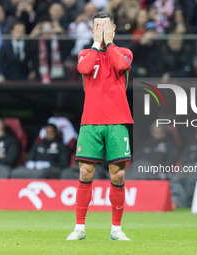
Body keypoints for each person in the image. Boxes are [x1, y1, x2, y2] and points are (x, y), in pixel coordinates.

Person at [66, 11, 133, 241]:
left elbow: (120, 64)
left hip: (117, 121)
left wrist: (109, 43)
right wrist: (96, 43)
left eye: (105, 27)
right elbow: (83, 69)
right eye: (97, 27)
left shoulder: (124, 52)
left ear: (113, 29)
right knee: (85, 172)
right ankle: (79, 228)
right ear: (92, 29)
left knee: (118, 176)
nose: (102, 30)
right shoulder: (86, 53)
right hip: (91, 121)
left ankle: (116, 229)